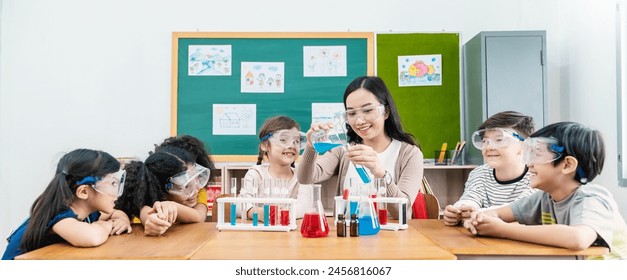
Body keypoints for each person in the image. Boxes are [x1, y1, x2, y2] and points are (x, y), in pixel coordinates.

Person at [464, 121, 627, 259]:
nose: (529, 164)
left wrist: (503, 230)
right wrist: (479, 218)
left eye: (537, 154)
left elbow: (578, 238)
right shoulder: (543, 198)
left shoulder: (592, 198)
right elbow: (497, 213)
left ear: (567, 165)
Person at [297, 76, 423, 217]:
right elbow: (306, 178)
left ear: (385, 112)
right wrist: (311, 145)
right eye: (351, 113)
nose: (359, 120)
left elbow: (402, 212)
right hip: (348, 234)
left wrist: (380, 174)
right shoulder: (344, 150)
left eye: (367, 110)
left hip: (391, 237)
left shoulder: (410, 154)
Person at [2, 149, 130, 260]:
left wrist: (121, 220)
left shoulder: (84, 212)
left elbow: (114, 212)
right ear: (84, 191)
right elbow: (93, 237)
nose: (117, 192)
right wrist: (107, 224)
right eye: (113, 183)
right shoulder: (60, 217)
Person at [443, 111, 537, 226]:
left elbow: (519, 210)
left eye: (499, 140)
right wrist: (459, 211)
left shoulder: (536, 175)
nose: (489, 147)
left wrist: (477, 213)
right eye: (485, 141)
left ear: (525, 145)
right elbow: (471, 198)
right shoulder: (479, 173)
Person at [115, 145, 210, 236]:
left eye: (197, 180)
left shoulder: (197, 193)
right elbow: (147, 214)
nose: (196, 190)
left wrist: (173, 206)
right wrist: (152, 221)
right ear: (162, 190)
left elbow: (199, 216)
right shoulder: (149, 206)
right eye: (186, 187)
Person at [238, 115, 309, 220]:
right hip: (260, 235)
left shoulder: (303, 175)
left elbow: (303, 208)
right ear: (265, 145)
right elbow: (240, 205)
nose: (292, 145)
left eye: (296, 141)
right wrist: (259, 213)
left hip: (292, 234)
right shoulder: (256, 174)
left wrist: (281, 215)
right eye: (283, 140)